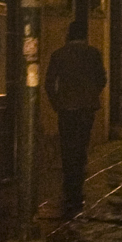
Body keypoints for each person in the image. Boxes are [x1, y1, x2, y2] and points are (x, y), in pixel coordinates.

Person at [45, 20, 106, 214]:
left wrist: (57, 103)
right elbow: (102, 79)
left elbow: (49, 82)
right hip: (86, 108)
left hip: (67, 108)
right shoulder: (93, 54)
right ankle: (77, 183)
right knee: (81, 144)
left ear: (68, 35)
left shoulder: (59, 55)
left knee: (67, 145)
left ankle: (69, 181)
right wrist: (91, 94)